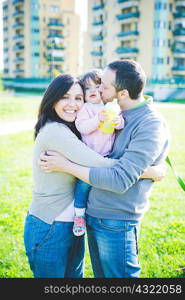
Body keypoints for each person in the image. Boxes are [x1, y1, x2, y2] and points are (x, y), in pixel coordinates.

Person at [38, 60, 169, 278]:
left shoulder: (149, 124)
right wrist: (148, 171)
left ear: (123, 93)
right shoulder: (116, 112)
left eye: (104, 86)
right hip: (94, 214)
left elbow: (119, 179)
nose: (98, 89)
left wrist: (67, 166)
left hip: (117, 220)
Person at [24, 74, 119, 278]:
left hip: (73, 225)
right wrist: (147, 170)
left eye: (78, 98)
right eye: (65, 97)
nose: (72, 104)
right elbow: (100, 163)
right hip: (50, 225)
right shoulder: (55, 131)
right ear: (53, 99)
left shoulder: (73, 128)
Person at [73, 69, 124, 236]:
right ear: (83, 92)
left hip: (106, 155)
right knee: (83, 184)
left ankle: (95, 212)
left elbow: (118, 123)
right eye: (87, 88)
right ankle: (79, 215)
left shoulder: (109, 106)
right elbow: (82, 127)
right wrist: (97, 119)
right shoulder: (85, 109)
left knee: (101, 186)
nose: (93, 91)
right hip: (88, 156)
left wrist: (119, 122)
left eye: (97, 86)